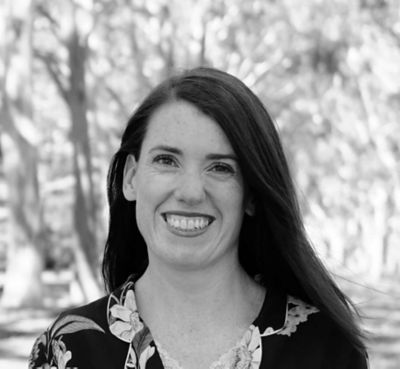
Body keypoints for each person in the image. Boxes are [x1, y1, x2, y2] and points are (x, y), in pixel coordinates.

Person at [29, 67, 368, 369]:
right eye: (166, 160)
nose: (191, 192)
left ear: (251, 195)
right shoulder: (67, 349)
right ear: (131, 178)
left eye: (220, 167)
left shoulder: (325, 349)